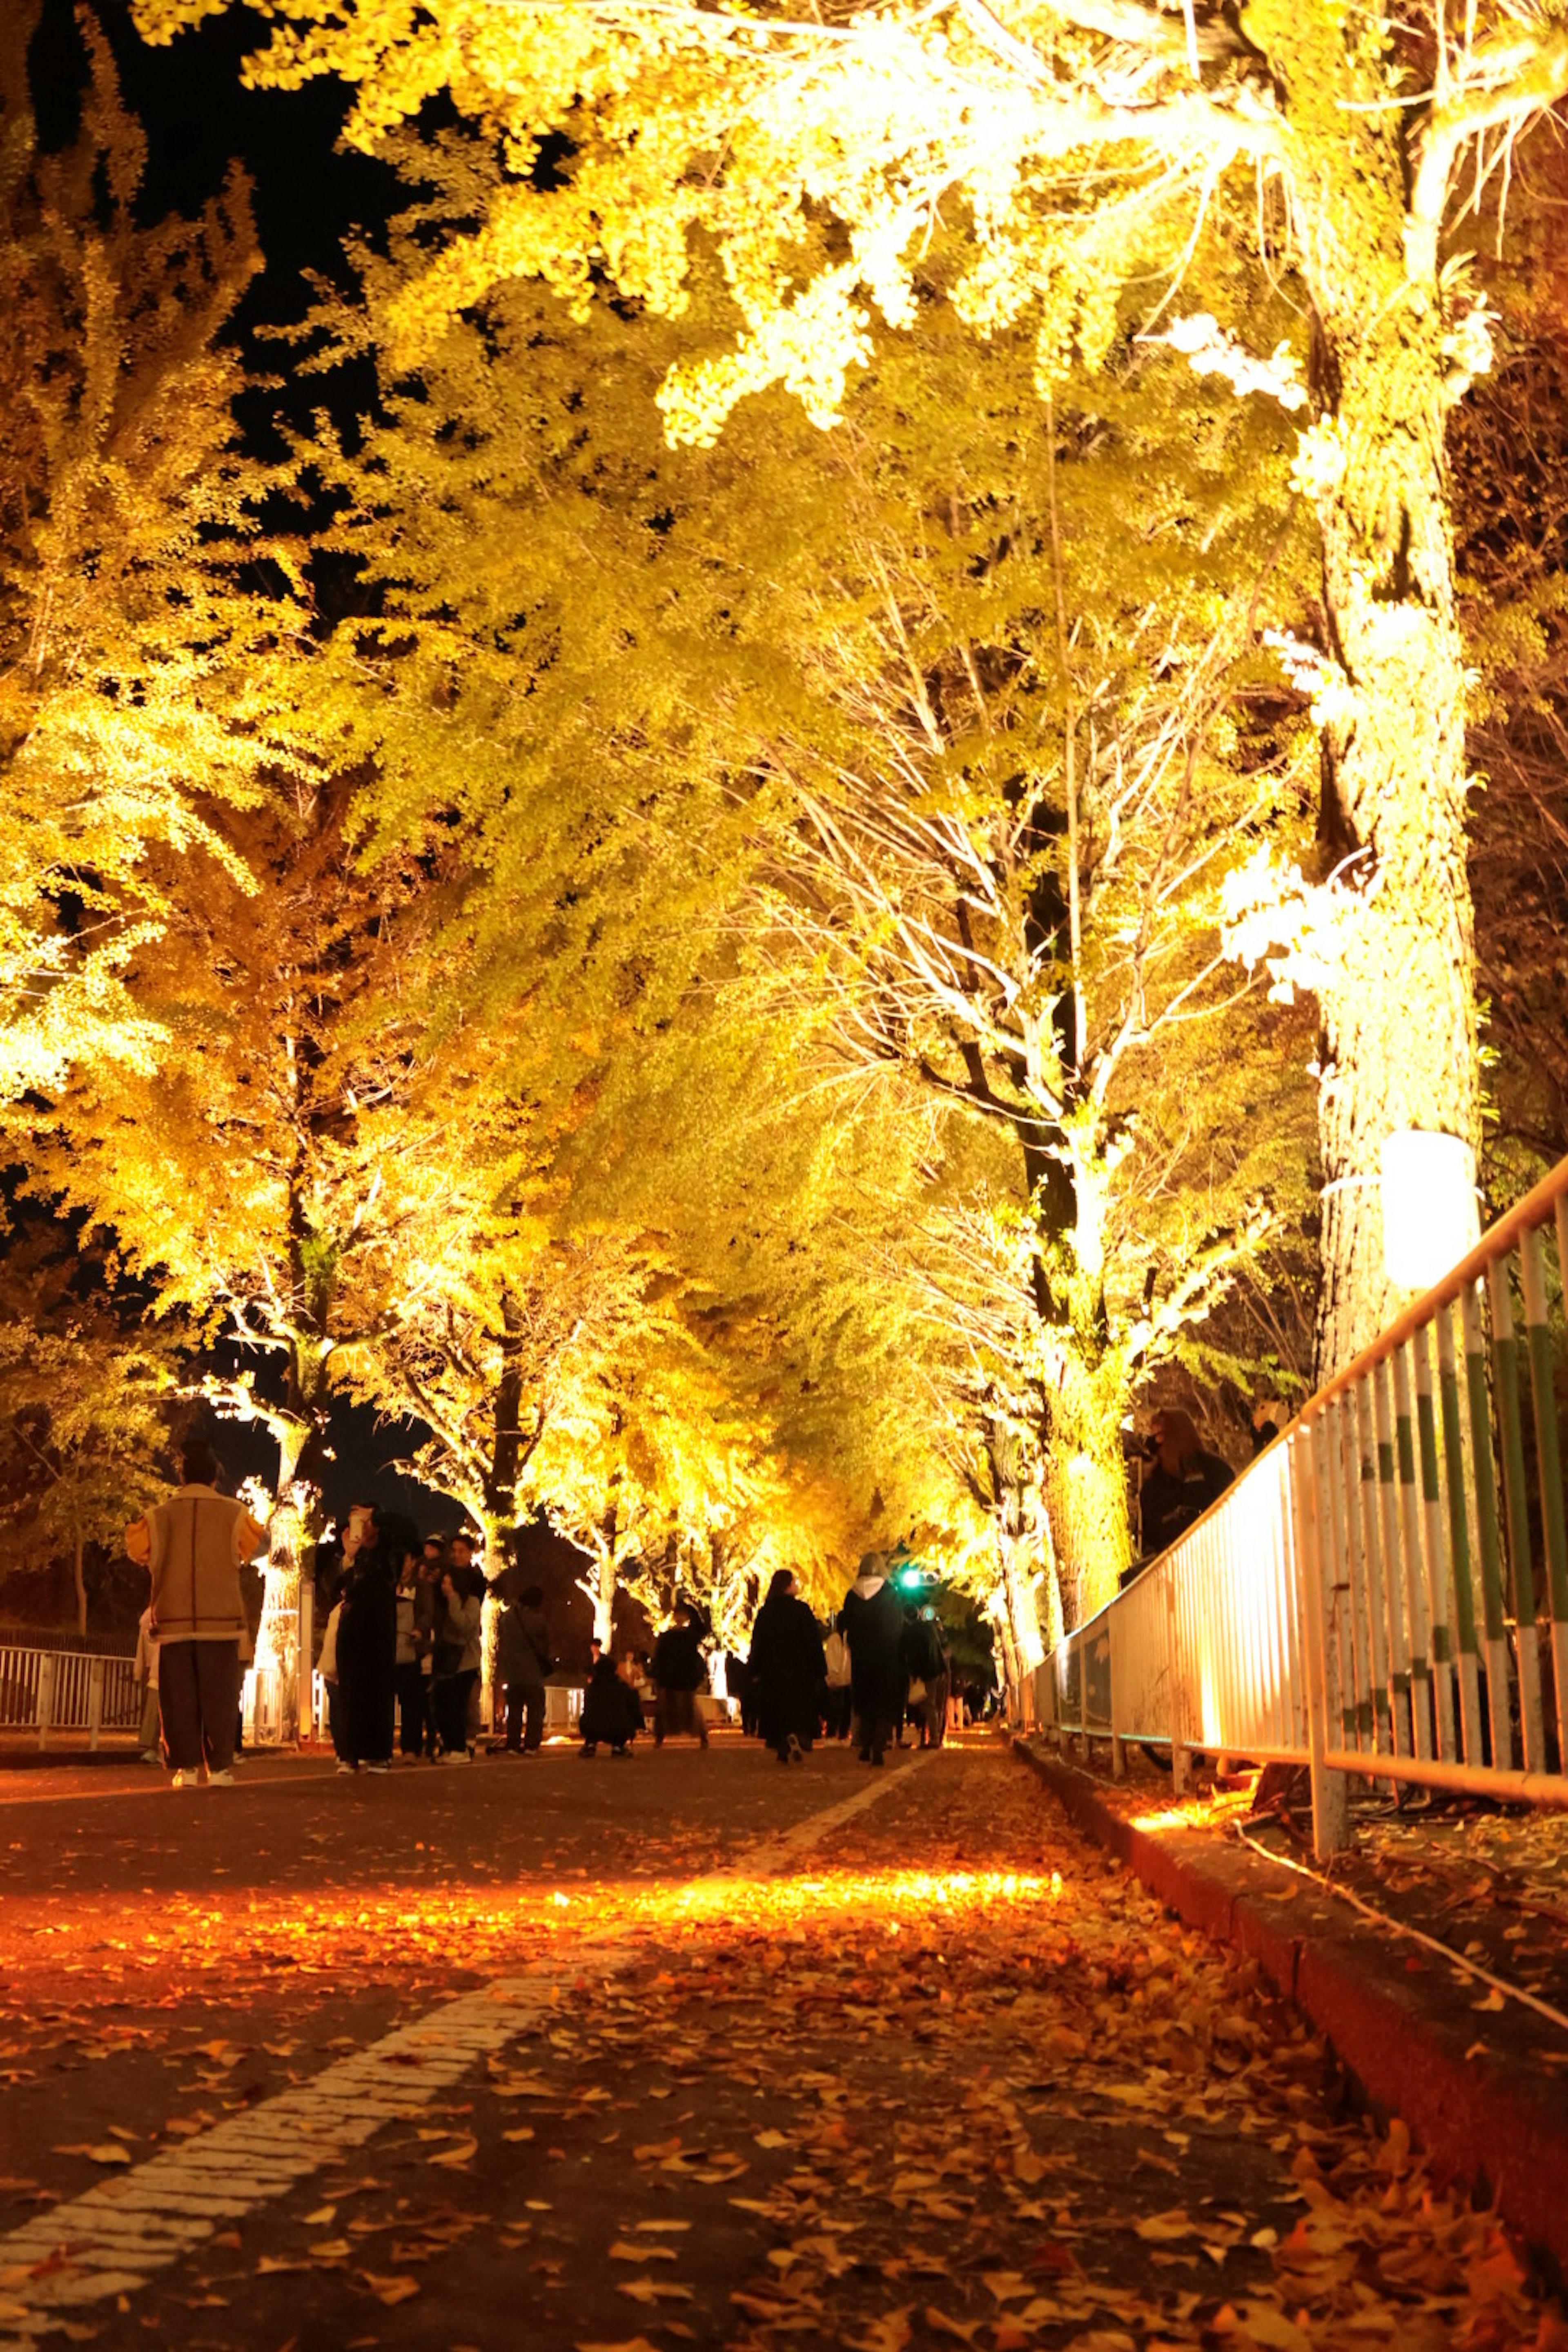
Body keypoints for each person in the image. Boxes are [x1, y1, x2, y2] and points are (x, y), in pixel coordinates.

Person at [125, 1439, 267, 1789]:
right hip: (220, 1622)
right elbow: (262, 1547)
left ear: (182, 1476)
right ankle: (219, 1769)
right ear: (215, 1478)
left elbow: (136, 1550)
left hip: (172, 1621)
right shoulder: (234, 1513)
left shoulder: (159, 1516)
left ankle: (185, 1768)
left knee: (177, 1700)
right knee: (220, 1697)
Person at [748, 1569, 827, 1764]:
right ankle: (798, 1737)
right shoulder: (802, 1610)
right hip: (801, 1671)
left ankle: (783, 1747)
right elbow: (814, 1642)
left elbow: (758, 1644)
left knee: (778, 1713)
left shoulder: (766, 1613)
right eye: (794, 1582)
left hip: (774, 1672)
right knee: (799, 1711)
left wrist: (755, 1670)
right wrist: (820, 1669)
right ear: (788, 1586)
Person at [1137, 1409, 1235, 1562]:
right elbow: (1152, 1537)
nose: (1154, 1443)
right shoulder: (1153, 1487)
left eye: (1159, 1436)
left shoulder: (1214, 1471)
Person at [842, 1551, 904, 1767]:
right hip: (887, 1658)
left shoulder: (852, 1595)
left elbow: (845, 1625)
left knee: (865, 1703)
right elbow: (897, 1628)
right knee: (885, 1703)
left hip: (862, 1658)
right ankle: (879, 1746)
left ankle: (866, 1745)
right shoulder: (890, 1594)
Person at [494, 1570, 551, 1754]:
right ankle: (531, 1744)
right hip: (532, 1673)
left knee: (515, 1710)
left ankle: (513, 1742)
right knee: (535, 1709)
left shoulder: (509, 1618)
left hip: (513, 1672)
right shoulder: (539, 1620)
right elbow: (544, 1647)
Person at [432, 1565, 483, 1761]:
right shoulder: (442, 1603)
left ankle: (460, 1749)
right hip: (446, 1662)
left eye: (448, 1582)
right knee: (442, 1706)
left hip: (465, 1663)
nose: (444, 1586)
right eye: (443, 1582)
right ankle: (449, 1747)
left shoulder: (472, 1602)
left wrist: (453, 1599)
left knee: (457, 1707)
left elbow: (464, 1626)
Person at [651, 1600, 708, 1748]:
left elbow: (702, 1629)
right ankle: (661, 1737)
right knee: (673, 1708)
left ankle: (701, 1736)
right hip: (676, 1676)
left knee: (683, 1708)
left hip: (681, 1676)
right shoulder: (673, 1636)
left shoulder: (685, 1635)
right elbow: (659, 1657)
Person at [901, 1604, 951, 1750]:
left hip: (925, 1672)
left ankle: (933, 1739)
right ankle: (933, 1737)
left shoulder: (909, 1632)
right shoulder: (929, 1629)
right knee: (936, 1705)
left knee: (927, 1705)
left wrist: (913, 1672)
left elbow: (907, 1653)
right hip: (938, 1670)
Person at [580, 1649, 643, 1757]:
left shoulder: (591, 1688)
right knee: (621, 1719)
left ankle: (591, 1744)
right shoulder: (622, 1687)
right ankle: (618, 1746)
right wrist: (636, 1725)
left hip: (592, 1726)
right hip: (618, 1726)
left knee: (590, 1718)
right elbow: (634, 1707)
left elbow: (587, 1708)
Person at [133, 1604, 161, 1764]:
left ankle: (151, 1748)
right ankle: (154, 1748)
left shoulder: (147, 1617)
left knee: (153, 1712)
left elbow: (141, 1649)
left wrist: (138, 1671)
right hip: (161, 1669)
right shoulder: (169, 1614)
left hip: (153, 1669)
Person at [822, 1616, 853, 1741]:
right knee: (836, 1709)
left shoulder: (847, 1639)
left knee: (845, 1708)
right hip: (837, 1680)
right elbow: (832, 1660)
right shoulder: (834, 1640)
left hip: (846, 1679)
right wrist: (834, 1675)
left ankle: (842, 1734)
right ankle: (832, 1733)